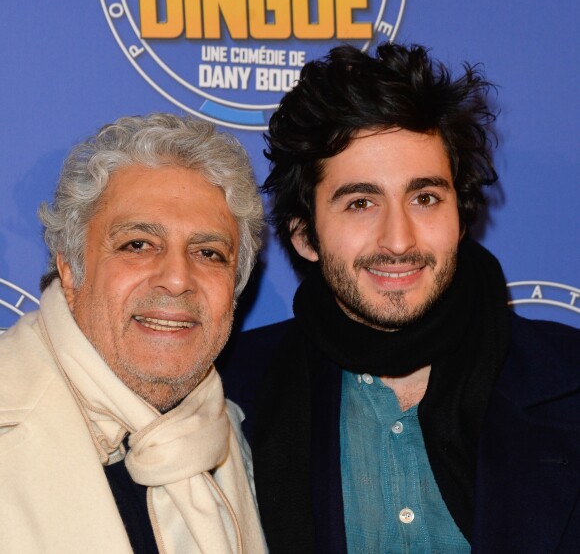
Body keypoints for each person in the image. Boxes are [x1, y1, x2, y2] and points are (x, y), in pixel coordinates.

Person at [217, 44, 580, 553]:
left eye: (425, 198)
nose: (399, 240)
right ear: (304, 236)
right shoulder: (224, 400)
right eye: (361, 203)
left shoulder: (569, 382)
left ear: (461, 215)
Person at [0, 114, 267, 553]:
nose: (178, 278)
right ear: (69, 268)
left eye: (208, 252)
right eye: (138, 245)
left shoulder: (248, 443)